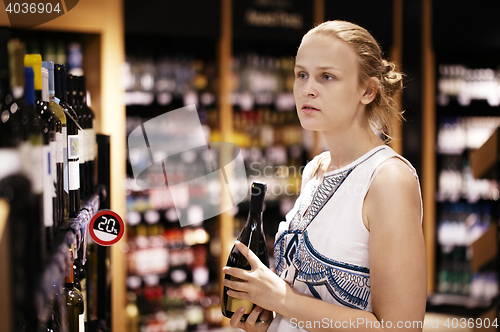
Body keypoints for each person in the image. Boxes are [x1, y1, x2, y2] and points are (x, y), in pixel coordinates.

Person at [222, 20, 427, 332]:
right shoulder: (315, 169)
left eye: (326, 77)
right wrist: (273, 322)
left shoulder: (388, 180)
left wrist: (284, 301)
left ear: (368, 91)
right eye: (301, 75)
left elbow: (401, 327)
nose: (308, 89)